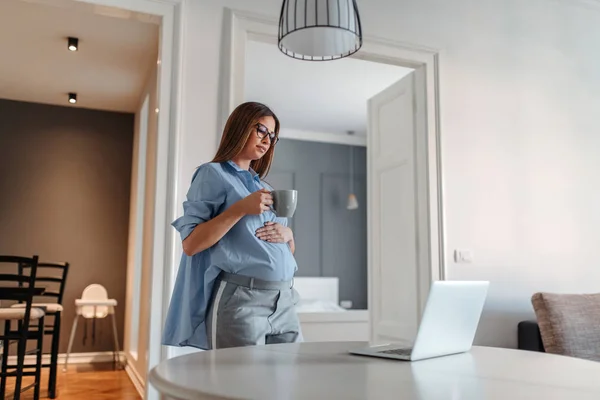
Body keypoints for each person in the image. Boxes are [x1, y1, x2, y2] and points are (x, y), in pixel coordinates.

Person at [162, 102, 301, 350]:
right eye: (261, 130)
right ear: (240, 126)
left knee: (286, 385)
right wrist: (239, 208)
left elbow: (283, 251)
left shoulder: (266, 189)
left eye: (272, 136)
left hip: (285, 300)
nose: (267, 140)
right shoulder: (211, 174)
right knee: (241, 385)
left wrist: (288, 233)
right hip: (242, 301)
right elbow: (191, 244)